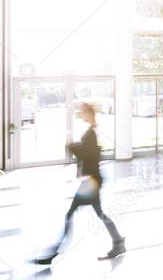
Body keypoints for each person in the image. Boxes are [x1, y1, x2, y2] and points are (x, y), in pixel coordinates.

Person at [33, 102, 124, 264]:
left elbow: (88, 153)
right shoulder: (91, 131)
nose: (81, 114)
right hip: (92, 180)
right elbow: (89, 152)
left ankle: (53, 253)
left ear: (89, 113)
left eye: (83, 112)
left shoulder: (91, 133)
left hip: (91, 182)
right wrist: (76, 148)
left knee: (71, 214)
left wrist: (72, 146)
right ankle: (118, 243)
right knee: (99, 213)